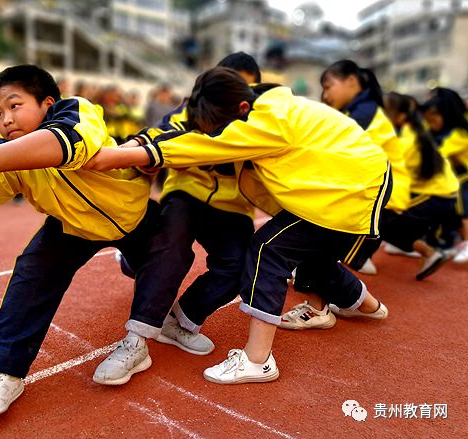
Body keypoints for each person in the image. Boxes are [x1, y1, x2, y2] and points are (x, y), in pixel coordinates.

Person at [0, 64, 199, 425]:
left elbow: (71, 142)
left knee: (172, 248)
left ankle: (144, 330)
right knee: (31, 273)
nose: (5, 119)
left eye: (14, 105)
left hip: (132, 216)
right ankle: (3, 373)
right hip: (72, 226)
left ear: (47, 103)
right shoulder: (7, 154)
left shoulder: (76, 110)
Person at [83, 66, 391, 384]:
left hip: (355, 189)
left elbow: (203, 147)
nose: (216, 133)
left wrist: (112, 157)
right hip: (199, 192)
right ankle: (366, 306)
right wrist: (127, 149)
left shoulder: (265, 122)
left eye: (218, 128)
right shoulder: (247, 104)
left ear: (241, 102)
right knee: (300, 252)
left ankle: (257, 360)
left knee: (266, 250)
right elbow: (169, 134)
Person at [98, 53, 262, 383]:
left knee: (242, 264)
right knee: (170, 248)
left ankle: (181, 320)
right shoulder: (192, 109)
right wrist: (130, 152)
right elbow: (157, 135)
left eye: (243, 87)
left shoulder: (263, 120)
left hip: (233, 205)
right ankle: (136, 342)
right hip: (186, 191)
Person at [317, 59, 413, 278]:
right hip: (379, 190)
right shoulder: (358, 111)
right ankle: (356, 262)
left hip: (384, 194)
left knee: (319, 222)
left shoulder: (364, 114)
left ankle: (343, 288)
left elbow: (332, 149)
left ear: (351, 81)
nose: (325, 95)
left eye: (328, 86)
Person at [369, 92, 459, 279]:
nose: (378, 116)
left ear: (401, 116)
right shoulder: (414, 131)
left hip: (436, 194)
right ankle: (425, 250)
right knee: (384, 221)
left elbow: (390, 176)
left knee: (381, 220)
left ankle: (430, 252)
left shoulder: (406, 141)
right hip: (440, 191)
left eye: (384, 112)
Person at [421, 87, 468, 264]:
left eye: (434, 116)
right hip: (448, 177)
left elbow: (439, 154)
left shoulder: (460, 133)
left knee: (460, 193)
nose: (430, 121)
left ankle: (466, 240)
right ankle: (443, 240)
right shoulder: (436, 129)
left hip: (462, 177)